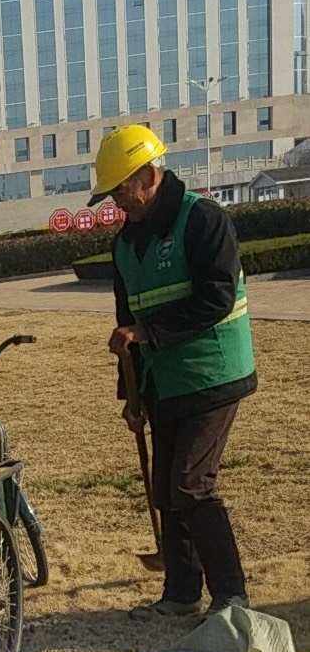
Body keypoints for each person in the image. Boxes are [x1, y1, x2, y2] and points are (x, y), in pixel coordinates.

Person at [92, 124, 257, 619]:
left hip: (213, 372)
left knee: (190, 484)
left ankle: (231, 595)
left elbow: (217, 296)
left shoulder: (202, 220)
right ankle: (182, 593)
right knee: (167, 487)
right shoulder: (125, 245)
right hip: (164, 381)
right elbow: (127, 324)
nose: (117, 202)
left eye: (121, 190)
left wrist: (148, 333)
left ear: (147, 175)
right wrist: (131, 394)